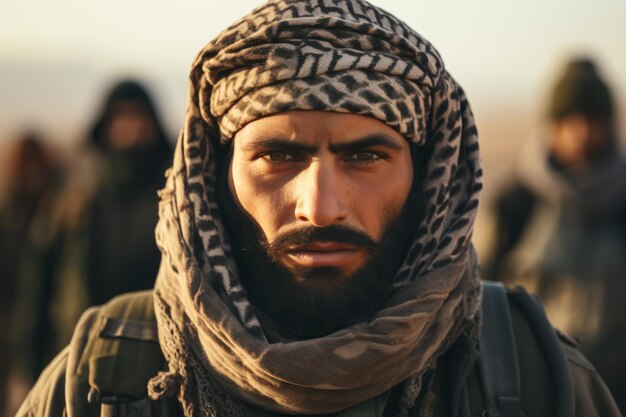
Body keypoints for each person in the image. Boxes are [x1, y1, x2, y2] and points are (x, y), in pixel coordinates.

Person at [15, 2, 621, 417]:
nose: (320, 207)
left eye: (365, 158)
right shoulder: (98, 380)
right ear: (216, 177)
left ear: (427, 179)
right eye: (278, 156)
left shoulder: (539, 378)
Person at [10, 80, 172, 393]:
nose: (131, 129)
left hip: (156, 367)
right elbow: (36, 289)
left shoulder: (174, 202)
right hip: (77, 362)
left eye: (139, 118)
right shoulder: (74, 204)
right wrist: (27, 371)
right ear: (105, 127)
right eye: (121, 119)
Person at [483, 58, 626, 410]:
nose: (580, 132)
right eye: (568, 120)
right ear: (551, 123)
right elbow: (481, 295)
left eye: (591, 120)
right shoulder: (515, 201)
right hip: (532, 386)